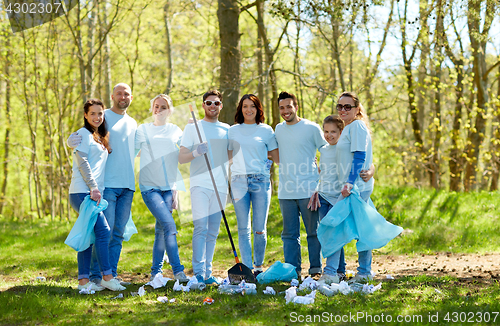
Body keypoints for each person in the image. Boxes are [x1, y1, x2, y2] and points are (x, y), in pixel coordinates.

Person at [68, 83, 137, 285]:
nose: (122, 97)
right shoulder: (102, 116)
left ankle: (109, 275)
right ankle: (97, 277)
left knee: (115, 234)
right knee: (101, 233)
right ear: (112, 96)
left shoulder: (132, 123)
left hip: (126, 185)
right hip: (101, 188)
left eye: (127, 94)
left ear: (131, 97)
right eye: (119, 93)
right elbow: (80, 141)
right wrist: (69, 140)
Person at [308, 114, 374, 284]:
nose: (329, 135)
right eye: (326, 131)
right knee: (331, 235)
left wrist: (372, 169)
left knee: (349, 232)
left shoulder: (345, 148)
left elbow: (363, 159)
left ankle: (356, 271)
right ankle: (337, 271)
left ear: (341, 132)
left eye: (333, 132)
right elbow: (324, 172)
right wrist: (317, 188)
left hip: (342, 196)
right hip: (323, 196)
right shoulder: (322, 149)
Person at [135, 94, 189, 282]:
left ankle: (155, 272)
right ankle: (178, 271)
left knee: (161, 229)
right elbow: (131, 151)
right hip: (149, 187)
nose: (159, 110)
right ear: (152, 109)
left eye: (163, 107)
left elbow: (186, 151)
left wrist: (193, 131)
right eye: (156, 106)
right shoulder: (143, 130)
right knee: (169, 226)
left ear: (170, 110)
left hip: (168, 187)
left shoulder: (175, 130)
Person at [178, 90, 229, 285]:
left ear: (221, 106)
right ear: (203, 105)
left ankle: (208, 274)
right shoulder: (193, 128)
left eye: (216, 103)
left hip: (220, 187)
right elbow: (182, 158)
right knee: (200, 228)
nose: (212, 106)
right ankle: (198, 272)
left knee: (213, 231)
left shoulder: (226, 129)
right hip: (200, 185)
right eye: (208, 103)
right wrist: (196, 152)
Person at [274, 91, 326, 279]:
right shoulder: (278, 129)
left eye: (289, 106)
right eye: (282, 107)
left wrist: (322, 179)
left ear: (296, 106)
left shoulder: (311, 128)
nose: (285, 110)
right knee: (289, 235)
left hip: (309, 190)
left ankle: (315, 269)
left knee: (313, 232)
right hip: (286, 191)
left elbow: (326, 150)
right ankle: (292, 271)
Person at [227, 94, 279, 277]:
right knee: (243, 228)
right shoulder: (233, 130)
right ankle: (247, 268)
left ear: (258, 109)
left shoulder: (266, 130)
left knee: (259, 228)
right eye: (245, 106)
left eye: (252, 106)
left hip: (260, 181)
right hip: (239, 181)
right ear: (240, 109)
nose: (248, 110)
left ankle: (258, 266)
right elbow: (227, 157)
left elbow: (276, 156)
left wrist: (266, 166)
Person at [331, 91, 375, 283]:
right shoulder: (350, 127)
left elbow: (359, 157)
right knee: (362, 228)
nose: (343, 110)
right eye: (340, 106)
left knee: (336, 226)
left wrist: (349, 183)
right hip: (355, 185)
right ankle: (362, 271)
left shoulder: (356, 126)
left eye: (347, 106)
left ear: (357, 109)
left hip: (356, 187)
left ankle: (336, 272)